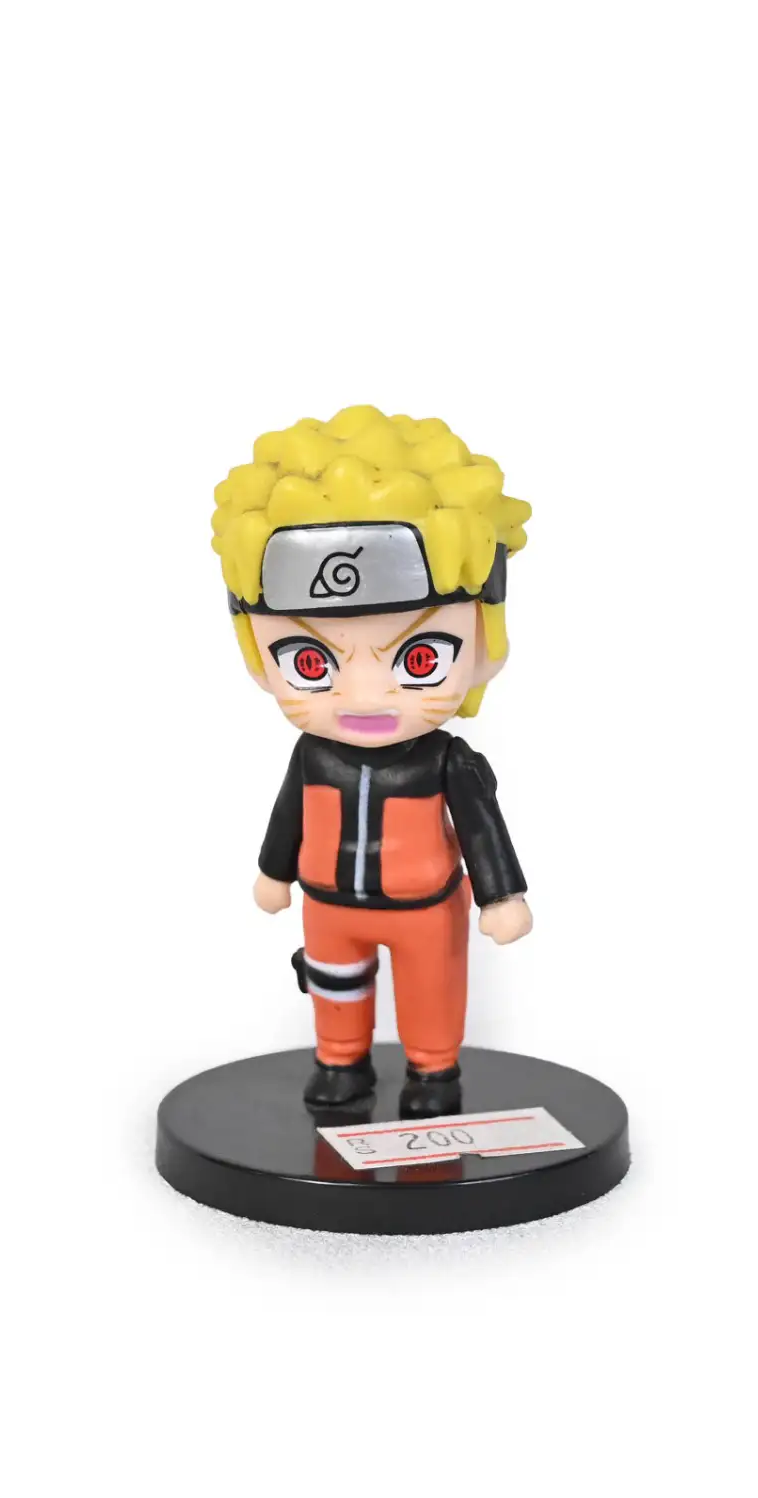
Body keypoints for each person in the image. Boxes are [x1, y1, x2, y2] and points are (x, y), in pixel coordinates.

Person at [211, 406, 533, 1117]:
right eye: (310, 660)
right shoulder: (311, 755)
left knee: (431, 988)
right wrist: (273, 871)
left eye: (419, 659)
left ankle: (433, 1072)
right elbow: (289, 817)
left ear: (485, 641)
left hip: (426, 908)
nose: (363, 696)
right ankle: (340, 1060)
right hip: (329, 904)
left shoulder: (446, 761)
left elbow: (482, 830)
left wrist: (501, 896)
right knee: (334, 984)